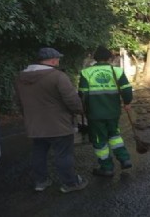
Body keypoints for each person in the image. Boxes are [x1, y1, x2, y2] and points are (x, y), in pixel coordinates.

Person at [15, 47, 88, 193]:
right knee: (63, 155)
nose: (59, 61)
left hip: (35, 125)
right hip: (58, 125)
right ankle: (70, 183)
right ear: (53, 60)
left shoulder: (20, 78)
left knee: (38, 153)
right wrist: (79, 111)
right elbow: (72, 100)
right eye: (58, 59)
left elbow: (18, 101)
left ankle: (41, 182)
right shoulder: (58, 76)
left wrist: (28, 117)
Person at [78, 46, 133, 177]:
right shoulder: (117, 71)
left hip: (95, 114)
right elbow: (126, 89)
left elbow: (82, 94)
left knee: (99, 140)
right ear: (110, 58)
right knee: (114, 135)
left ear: (94, 58)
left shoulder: (86, 72)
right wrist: (127, 102)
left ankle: (107, 167)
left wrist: (82, 109)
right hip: (113, 112)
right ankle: (124, 159)